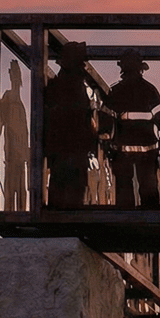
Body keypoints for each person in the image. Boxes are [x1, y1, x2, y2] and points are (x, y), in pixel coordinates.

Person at [103, 49, 160, 208]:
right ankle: (150, 218)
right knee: (149, 186)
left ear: (122, 68)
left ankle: (126, 218)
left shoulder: (116, 91)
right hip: (148, 150)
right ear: (141, 68)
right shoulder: (150, 90)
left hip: (123, 151)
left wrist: (105, 141)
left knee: (124, 188)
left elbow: (105, 119)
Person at [43, 43, 96, 209]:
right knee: (74, 189)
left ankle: (58, 221)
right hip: (74, 149)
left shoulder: (56, 86)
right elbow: (86, 120)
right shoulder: (79, 86)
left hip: (61, 149)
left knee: (60, 187)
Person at [0, 61, 30, 211]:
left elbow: (25, 131)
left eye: (17, 74)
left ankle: (21, 212)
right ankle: (9, 212)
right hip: (11, 154)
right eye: (13, 74)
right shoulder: (8, 97)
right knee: (11, 188)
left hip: (21, 154)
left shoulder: (20, 104)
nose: (15, 78)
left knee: (21, 190)